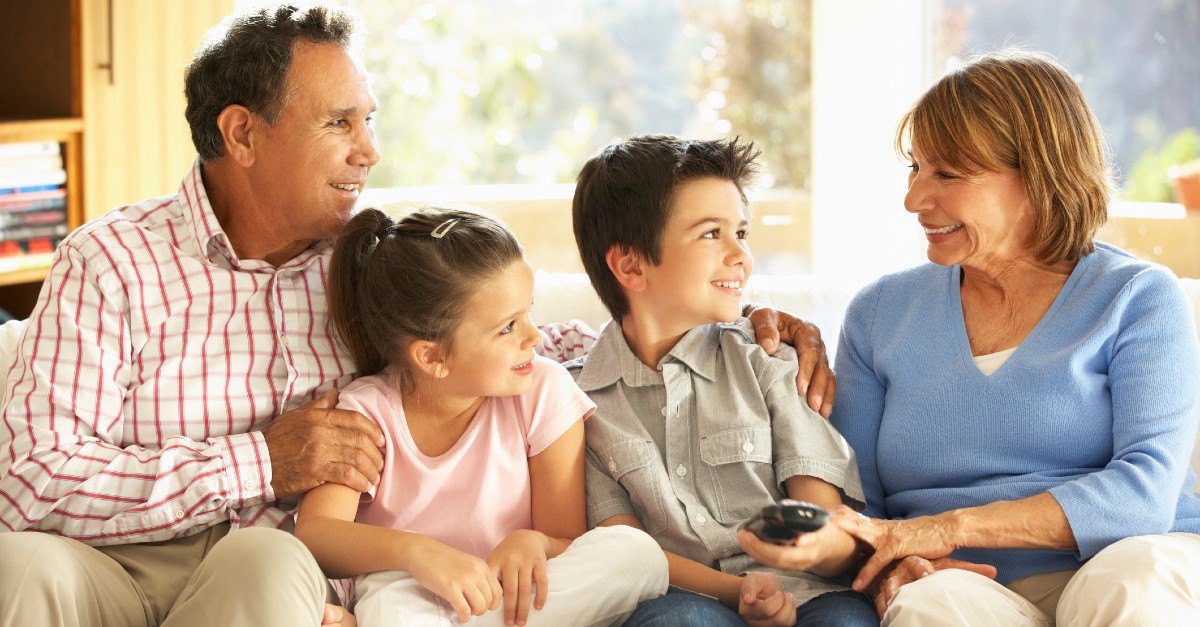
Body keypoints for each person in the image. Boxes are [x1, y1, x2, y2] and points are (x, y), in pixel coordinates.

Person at [0, 5, 831, 626]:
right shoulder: (108, 261)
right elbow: (32, 476)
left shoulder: (375, 259)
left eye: (371, 121)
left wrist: (738, 316)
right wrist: (259, 461)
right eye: (340, 123)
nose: (370, 149)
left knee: (266, 556)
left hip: (282, 577)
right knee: (19, 564)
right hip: (117, 562)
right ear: (241, 134)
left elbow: (521, 336)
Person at [740, 49, 1200, 626]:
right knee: (931, 605)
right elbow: (863, 510)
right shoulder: (881, 313)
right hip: (965, 581)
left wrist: (947, 526)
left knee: (1127, 584)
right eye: (915, 168)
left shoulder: (1136, 297)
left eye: (947, 174)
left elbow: (1145, 493)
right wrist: (889, 565)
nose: (914, 199)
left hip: (1127, 559)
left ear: (1039, 174)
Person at [294, 207, 668, 626]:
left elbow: (569, 540)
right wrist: (419, 553)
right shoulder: (367, 411)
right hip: (416, 598)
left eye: (529, 311)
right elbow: (316, 532)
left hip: (516, 597)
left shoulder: (544, 390)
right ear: (432, 356)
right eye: (508, 327)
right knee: (389, 605)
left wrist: (535, 543)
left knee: (639, 556)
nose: (534, 336)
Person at [568, 134, 879, 627]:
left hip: (809, 593)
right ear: (631, 264)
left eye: (742, 232)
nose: (741, 256)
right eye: (712, 233)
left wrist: (815, 544)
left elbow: (833, 531)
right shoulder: (579, 404)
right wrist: (741, 593)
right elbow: (626, 553)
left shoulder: (770, 361)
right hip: (686, 600)